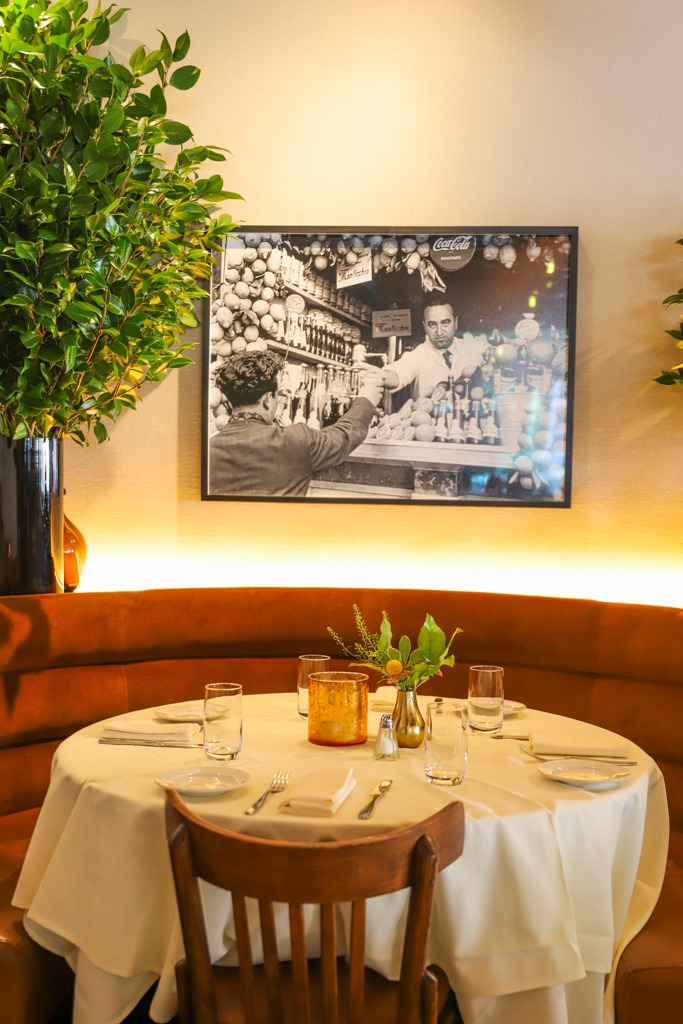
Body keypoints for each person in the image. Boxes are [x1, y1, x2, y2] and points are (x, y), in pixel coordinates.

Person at [209, 350, 384, 497]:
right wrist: (366, 399)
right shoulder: (296, 440)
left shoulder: (208, 448)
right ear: (267, 400)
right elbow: (344, 435)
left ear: (230, 402)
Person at [382, 299, 490, 400]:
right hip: (429, 419)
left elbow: (496, 355)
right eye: (432, 325)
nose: (439, 332)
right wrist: (380, 376)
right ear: (425, 326)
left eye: (445, 323)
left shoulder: (473, 347)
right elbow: (397, 373)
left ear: (455, 322)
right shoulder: (418, 355)